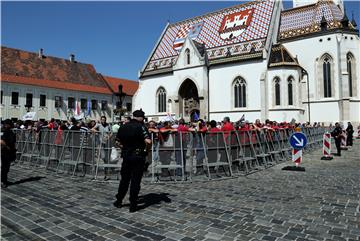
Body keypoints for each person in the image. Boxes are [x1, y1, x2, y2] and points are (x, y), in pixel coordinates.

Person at [113, 109, 151, 212]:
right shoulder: (141, 126)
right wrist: (147, 151)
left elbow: (117, 141)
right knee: (135, 180)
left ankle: (119, 200)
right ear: (141, 117)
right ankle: (133, 204)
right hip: (138, 156)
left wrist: (124, 148)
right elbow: (148, 141)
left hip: (126, 156)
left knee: (124, 179)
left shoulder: (123, 126)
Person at [91, 116, 112, 180]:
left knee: (107, 159)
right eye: (102, 119)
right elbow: (92, 129)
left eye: (104, 119)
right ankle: (105, 172)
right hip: (101, 143)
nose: (103, 120)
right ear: (100, 120)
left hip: (107, 143)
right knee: (103, 157)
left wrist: (109, 137)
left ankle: (106, 174)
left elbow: (111, 132)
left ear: (105, 120)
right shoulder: (99, 125)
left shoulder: (108, 125)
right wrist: (97, 132)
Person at [1, 119, 17, 188]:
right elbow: (1, 141)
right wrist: (8, 147)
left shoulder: (8, 132)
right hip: (6, 152)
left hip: (6, 152)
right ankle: (4, 181)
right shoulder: (8, 132)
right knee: (5, 168)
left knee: (5, 167)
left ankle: (4, 180)